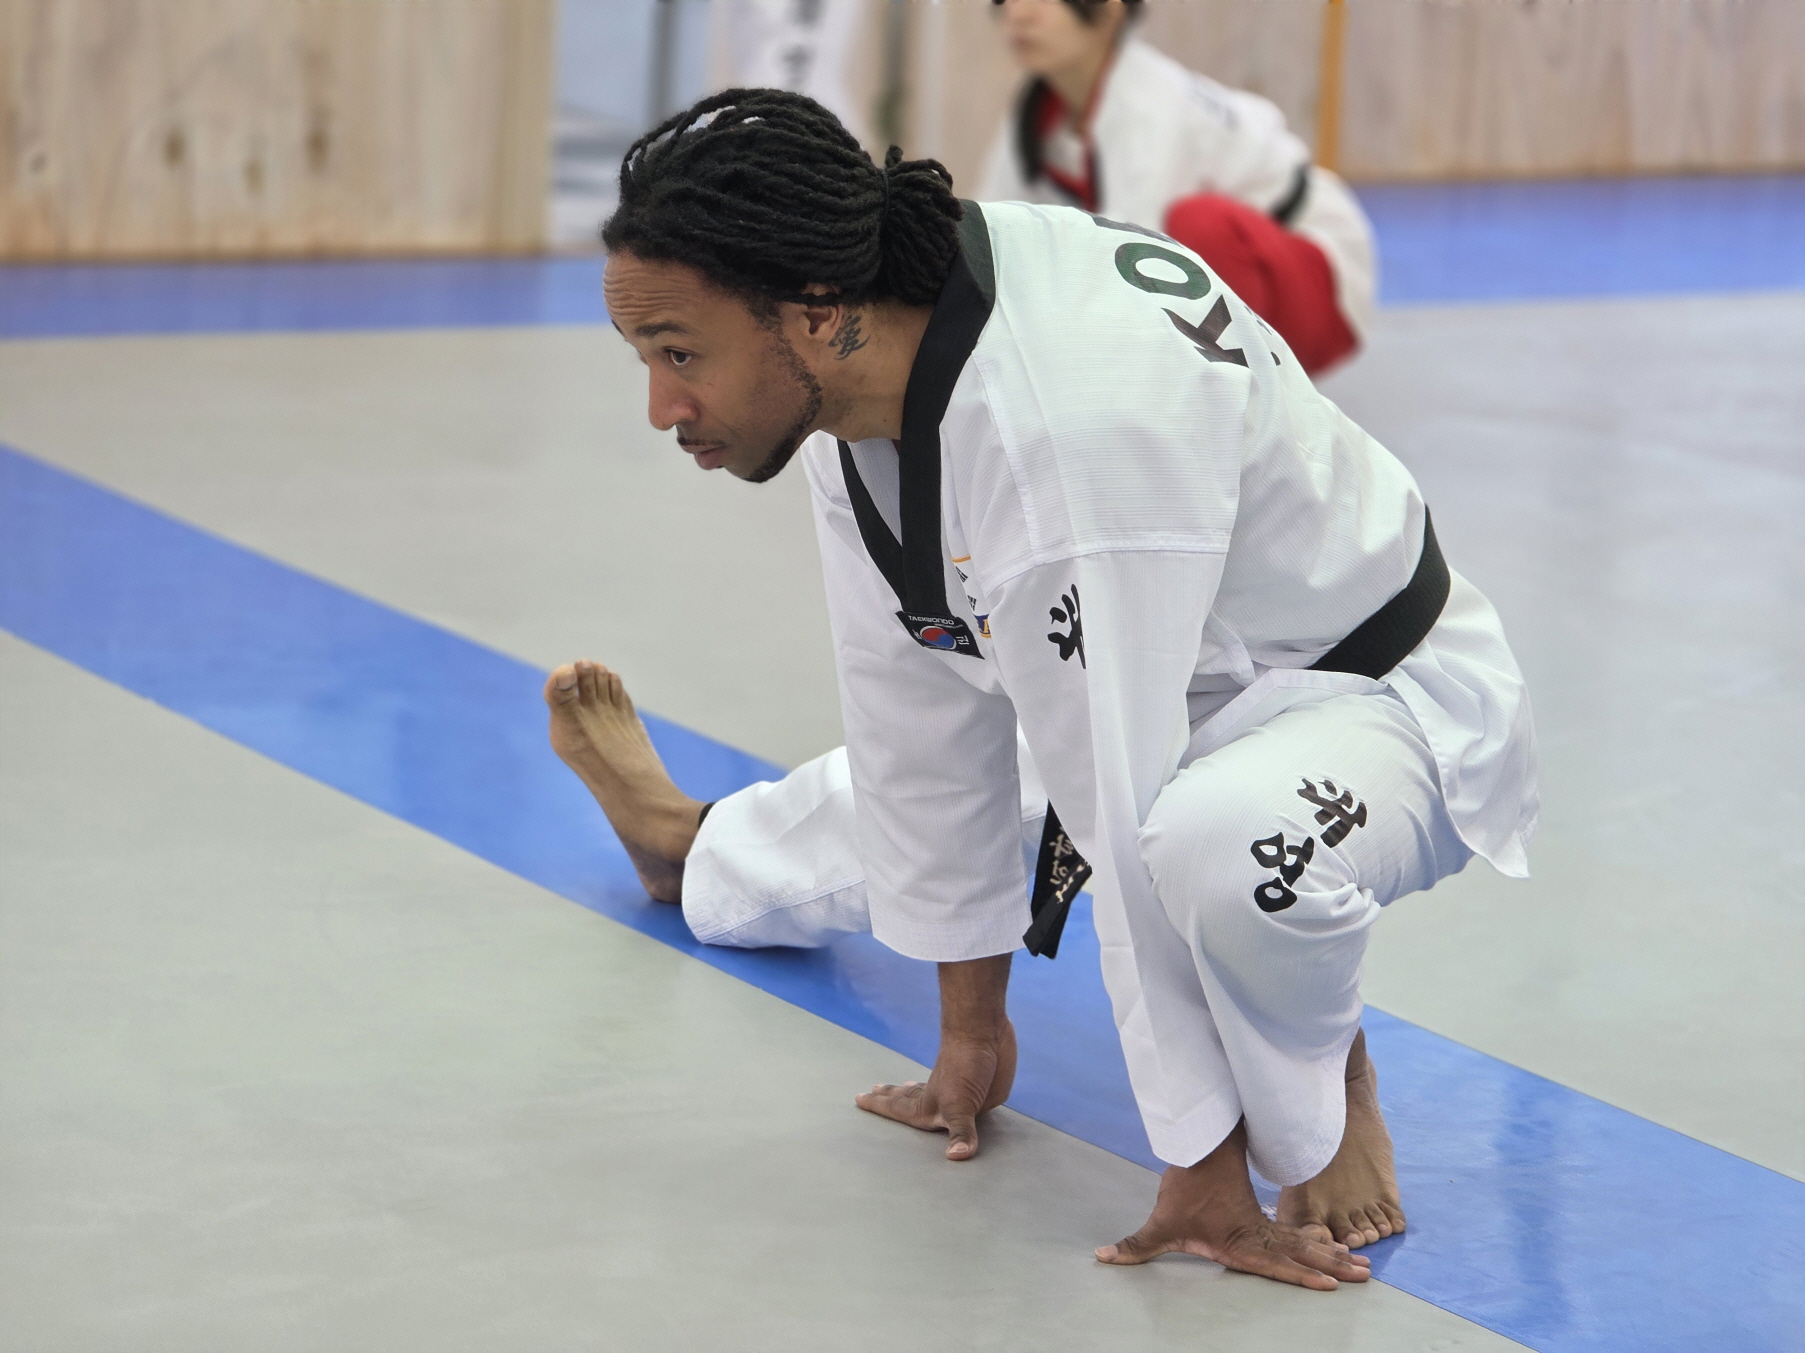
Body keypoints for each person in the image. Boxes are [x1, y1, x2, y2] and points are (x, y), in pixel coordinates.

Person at [547, 88, 1536, 1287]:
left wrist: (1203, 1170)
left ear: (814, 311)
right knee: (890, 816)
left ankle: (1328, 1089)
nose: (663, 407)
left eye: (680, 355)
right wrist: (970, 1033)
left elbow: (1116, 805)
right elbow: (915, 716)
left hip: (1370, 695)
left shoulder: (1060, 430)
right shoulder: (863, 372)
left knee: (1206, 849)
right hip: (1171, 663)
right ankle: (690, 844)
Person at [980, 0, 1374, 376]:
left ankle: (1237, 399)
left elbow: (1133, 270)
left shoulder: (1151, 104)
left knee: (1193, 231)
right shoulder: (1035, 111)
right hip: (1239, 279)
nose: (1019, 13)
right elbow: (996, 237)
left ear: (1111, 11)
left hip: (1319, 283)